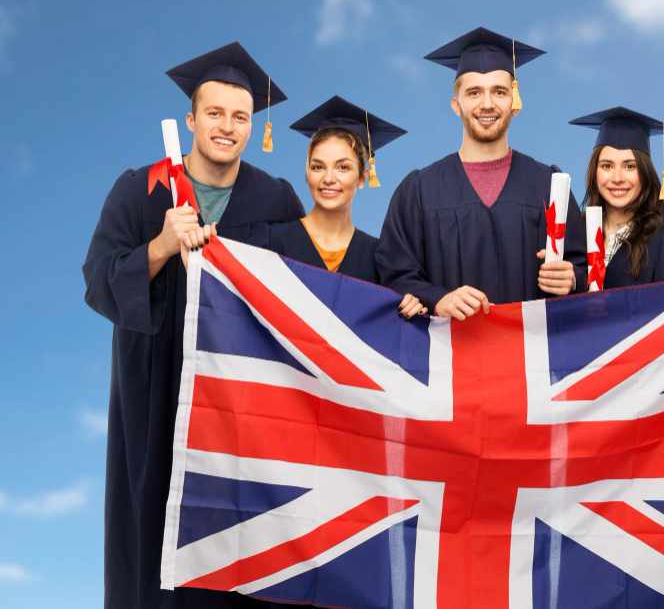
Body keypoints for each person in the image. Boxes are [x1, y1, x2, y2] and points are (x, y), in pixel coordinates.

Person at [82, 41, 304, 608]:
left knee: (245, 538)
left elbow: (306, 296)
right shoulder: (141, 190)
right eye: (215, 113)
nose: (226, 127)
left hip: (243, 407)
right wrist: (160, 244)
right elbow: (98, 280)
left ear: (253, 125)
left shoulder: (275, 197)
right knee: (155, 537)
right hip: (156, 398)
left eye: (240, 116)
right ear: (191, 120)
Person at [376, 27, 586, 319]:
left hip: (531, 359)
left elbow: (586, 268)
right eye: (474, 92)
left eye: (499, 92)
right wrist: (438, 299)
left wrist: (573, 277)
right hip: (450, 359)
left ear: (513, 102)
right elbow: (394, 275)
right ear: (455, 104)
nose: (487, 104)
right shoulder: (419, 191)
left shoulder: (549, 185)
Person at [266, 95, 425, 317]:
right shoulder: (272, 242)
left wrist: (410, 307)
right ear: (307, 173)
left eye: (342, 167)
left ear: (362, 177)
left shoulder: (379, 257)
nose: (328, 178)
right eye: (318, 167)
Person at [569, 106, 664, 287]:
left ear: (645, 173)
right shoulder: (576, 235)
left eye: (629, 166)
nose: (617, 178)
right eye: (607, 166)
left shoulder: (663, 243)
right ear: (594, 173)